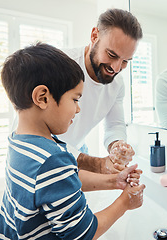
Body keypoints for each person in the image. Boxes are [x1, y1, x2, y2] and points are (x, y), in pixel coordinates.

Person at [0, 43, 145, 240]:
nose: (78, 109)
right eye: (75, 100)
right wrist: (125, 203)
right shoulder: (53, 159)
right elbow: (83, 234)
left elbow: (59, 183)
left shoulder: (19, 142)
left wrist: (113, 181)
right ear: (42, 97)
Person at [58, 8, 143, 172]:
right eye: (112, 54)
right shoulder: (59, 64)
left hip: (78, 150)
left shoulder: (117, 84)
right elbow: (36, 132)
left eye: (125, 61)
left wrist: (117, 146)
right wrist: (99, 165)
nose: (116, 68)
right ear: (94, 36)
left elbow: (115, 125)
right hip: (40, 153)